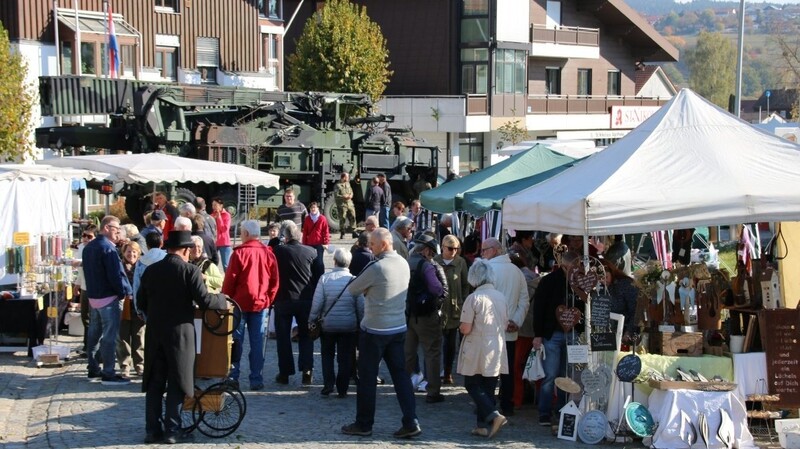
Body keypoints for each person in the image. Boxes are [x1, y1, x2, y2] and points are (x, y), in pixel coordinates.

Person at [136, 230, 228, 444]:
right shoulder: (189, 271)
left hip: (155, 333)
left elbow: (141, 302)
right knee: (177, 382)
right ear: (186, 250)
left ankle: (152, 430)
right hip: (180, 335)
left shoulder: (151, 271)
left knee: (155, 383)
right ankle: (172, 430)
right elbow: (205, 301)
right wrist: (222, 300)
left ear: (168, 249)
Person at [342, 228, 421, 439]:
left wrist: (369, 290)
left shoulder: (377, 267)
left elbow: (353, 289)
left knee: (367, 378)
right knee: (401, 377)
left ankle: (364, 423)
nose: (371, 248)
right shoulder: (403, 263)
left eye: (374, 245)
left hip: (375, 330)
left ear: (383, 245)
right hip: (397, 328)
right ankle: (411, 420)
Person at [222, 220, 279, 391]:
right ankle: (256, 378)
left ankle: (233, 376)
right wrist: (269, 299)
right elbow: (275, 281)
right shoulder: (268, 253)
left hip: (239, 303)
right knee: (257, 343)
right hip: (260, 303)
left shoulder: (239, 254)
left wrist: (227, 298)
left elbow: (230, 280)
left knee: (235, 342)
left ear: (246, 233)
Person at [457, 259, 509, 438]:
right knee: (488, 386)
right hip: (496, 344)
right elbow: (505, 322)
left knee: (471, 383)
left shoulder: (474, 298)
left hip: (477, 346)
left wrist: (460, 327)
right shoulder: (501, 297)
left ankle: (493, 415)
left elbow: (466, 328)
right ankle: (482, 425)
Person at [532, 250, 584, 426]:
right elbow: (538, 308)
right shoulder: (548, 281)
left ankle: (561, 409)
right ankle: (544, 412)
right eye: (573, 267)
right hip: (552, 333)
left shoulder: (579, 282)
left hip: (573, 333)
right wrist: (538, 334)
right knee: (550, 375)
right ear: (564, 265)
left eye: (578, 267)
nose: (576, 269)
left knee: (566, 375)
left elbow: (584, 305)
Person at [480, 237, 529, 416]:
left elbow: (484, 299)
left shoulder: (489, 270)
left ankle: (488, 404)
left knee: (489, 369)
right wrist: (515, 320)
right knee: (507, 370)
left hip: (491, 329)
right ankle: (507, 405)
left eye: (484, 250)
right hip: (509, 329)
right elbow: (524, 299)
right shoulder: (516, 271)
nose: (482, 253)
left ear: (494, 250)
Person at [83, 215, 133, 385]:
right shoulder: (108, 249)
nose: (118, 232)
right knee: (109, 337)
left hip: (94, 297)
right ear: (106, 228)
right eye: (116, 228)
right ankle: (108, 372)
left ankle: (93, 369)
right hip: (108, 298)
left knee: (94, 335)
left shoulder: (89, 247)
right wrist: (122, 292)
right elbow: (115, 276)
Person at [309, 248, 365, 397]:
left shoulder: (325, 279)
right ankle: (342, 387)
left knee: (327, 355)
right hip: (349, 326)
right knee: (345, 357)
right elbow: (361, 306)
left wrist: (312, 319)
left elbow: (317, 303)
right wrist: (361, 322)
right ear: (349, 262)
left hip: (328, 325)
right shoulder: (354, 280)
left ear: (334, 261)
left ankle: (328, 383)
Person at [273, 220, 322, 386]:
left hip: (284, 299)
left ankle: (285, 373)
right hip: (305, 299)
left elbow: (272, 248)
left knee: (283, 338)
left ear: (285, 237)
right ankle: (307, 370)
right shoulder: (311, 252)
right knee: (306, 336)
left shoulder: (279, 251)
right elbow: (318, 274)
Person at [404, 234, 447, 403]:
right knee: (432, 352)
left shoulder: (405, 262)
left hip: (408, 314)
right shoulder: (426, 266)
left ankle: (404, 386)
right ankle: (433, 391)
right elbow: (437, 289)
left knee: (408, 352)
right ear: (427, 250)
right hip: (426, 315)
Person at [434, 234, 469, 385]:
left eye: (456, 248)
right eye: (450, 248)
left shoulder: (461, 262)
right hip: (438, 308)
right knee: (435, 342)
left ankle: (447, 372)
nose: (454, 251)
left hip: (455, 309)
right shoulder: (435, 261)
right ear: (443, 247)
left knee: (450, 344)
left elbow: (465, 284)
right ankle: (434, 373)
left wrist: (463, 301)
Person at [509, 254, 539, 410]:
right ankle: (542, 399)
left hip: (521, 330)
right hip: (536, 329)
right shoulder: (537, 278)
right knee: (538, 365)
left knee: (516, 366)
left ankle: (516, 398)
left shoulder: (518, 280)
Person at [117, 241, 145, 377]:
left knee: (139, 335)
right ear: (123, 253)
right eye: (128, 251)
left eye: (134, 252)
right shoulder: (119, 266)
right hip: (124, 304)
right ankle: (125, 365)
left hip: (138, 306)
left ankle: (139, 364)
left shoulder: (142, 266)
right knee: (123, 337)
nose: (131, 254)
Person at [133, 232, 167, 322]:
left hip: (148, 304)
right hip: (166, 302)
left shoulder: (141, 262)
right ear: (161, 243)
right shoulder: (169, 258)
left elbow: (136, 286)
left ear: (147, 245)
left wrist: (138, 309)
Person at [74, 225, 96, 355]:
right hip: (84, 286)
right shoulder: (81, 248)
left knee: (92, 318)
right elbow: (80, 271)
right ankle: (87, 345)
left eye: (89, 236)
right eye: (84, 235)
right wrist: (77, 284)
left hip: (93, 287)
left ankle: (90, 347)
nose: (86, 238)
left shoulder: (95, 248)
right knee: (84, 317)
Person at [602, 259, 639, 338]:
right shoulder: (600, 288)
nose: (603, 281)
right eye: (600, 278)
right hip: (606, 334)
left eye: (606, 277)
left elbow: (635, 311)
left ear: (611, 272)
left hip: (624, 331)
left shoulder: (626, 284)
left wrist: (629, 331)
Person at [302, 201, 330, 276]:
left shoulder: (322, 218)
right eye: (311, 208)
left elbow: (326, 231)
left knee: (319, 262)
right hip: (309, 244)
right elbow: (305, 232)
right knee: (310, 261)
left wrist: (326, 243)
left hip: (319, 244)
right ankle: (312, 276)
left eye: (314, 207)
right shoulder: (307, 219)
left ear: (318, 208)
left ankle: (321, 276)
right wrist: (304, 244)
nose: (313, 209)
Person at [211, 197, 232, 271]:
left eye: (215, 205)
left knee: (226, 265)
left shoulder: (227, 215)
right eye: (213, 205)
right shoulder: (212, 215)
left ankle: (228, 281)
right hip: (214, 243)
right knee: (212, 264)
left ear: (221, 205)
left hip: (224, 243)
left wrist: (219, 217)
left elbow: (224, 229)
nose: (214, 207)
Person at [335, 172, 358, 239]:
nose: (348, 178)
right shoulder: (337, 185)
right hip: (342, 205)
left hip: (350, 204)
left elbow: (351, 191)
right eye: (347, 177)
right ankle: (342, 233)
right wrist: (343, 196)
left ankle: (354, 232)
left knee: (353, 217)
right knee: (342, 219)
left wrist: (351, 195)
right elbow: (336, 195)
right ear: (344, 177)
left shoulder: (348, 184)